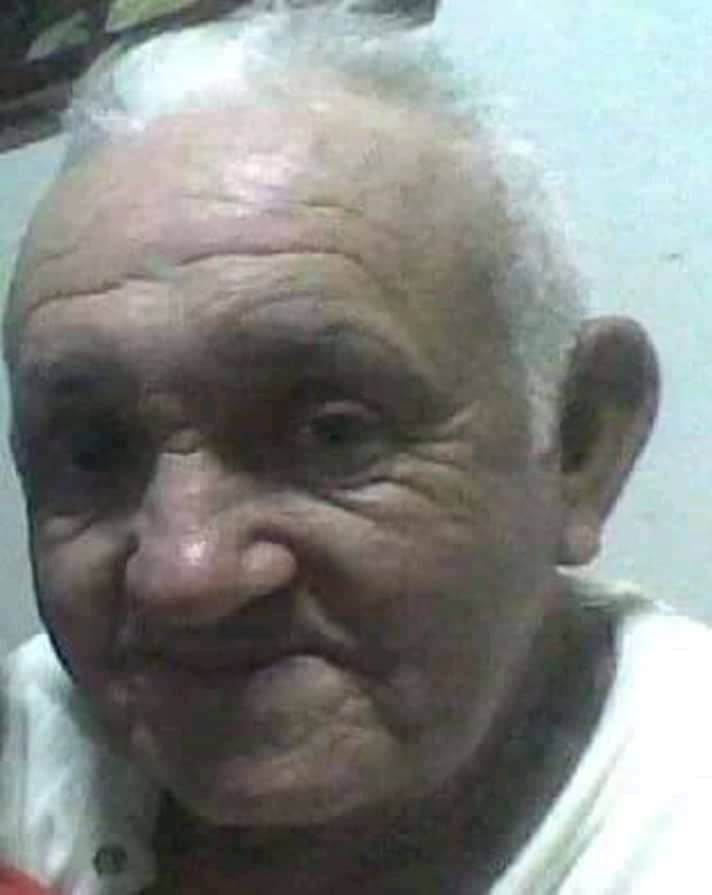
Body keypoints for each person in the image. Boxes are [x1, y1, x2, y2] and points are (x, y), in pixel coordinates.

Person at [1, 8, 711, 894]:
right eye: (93, 450)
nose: (185, 574)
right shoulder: (26, 751)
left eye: (331, 432)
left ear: (579, 443)